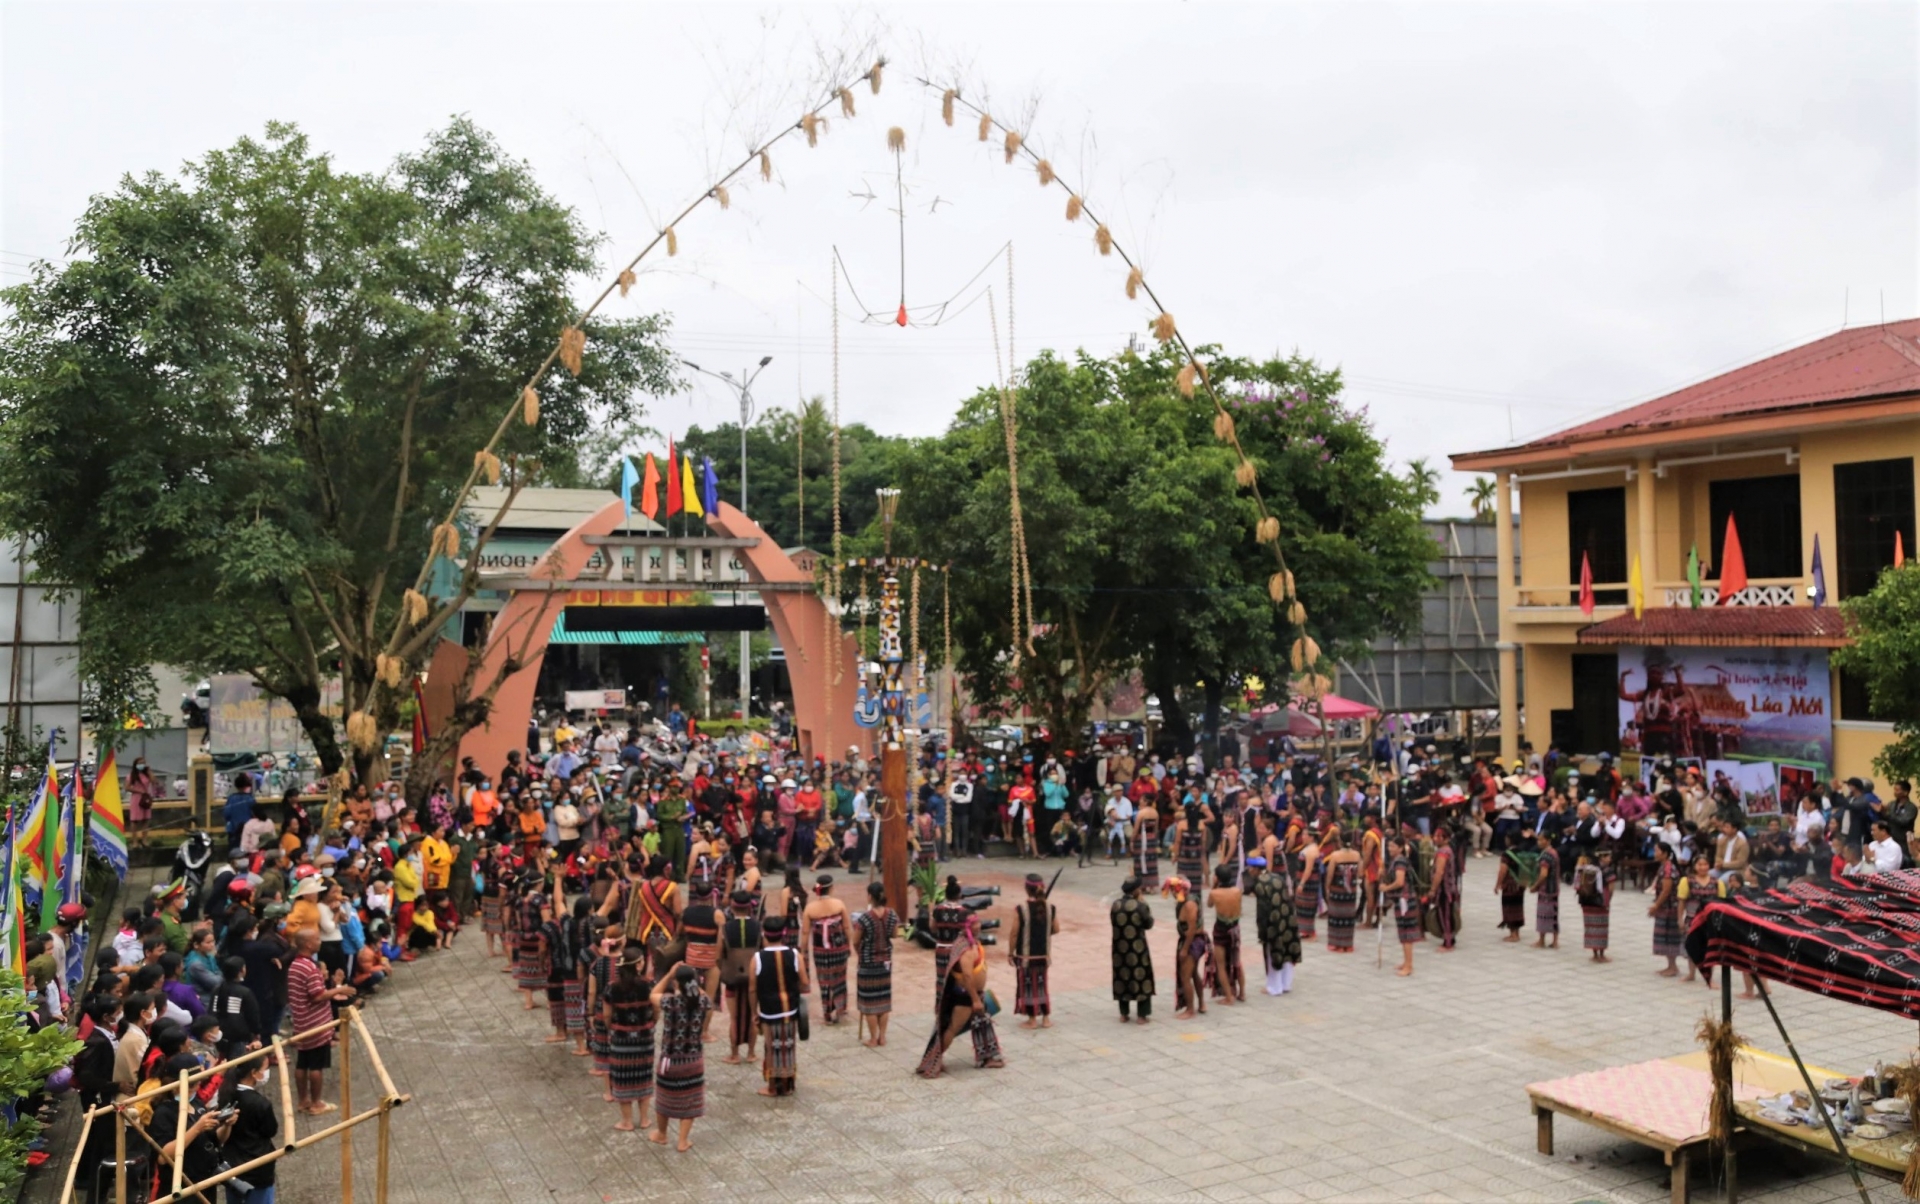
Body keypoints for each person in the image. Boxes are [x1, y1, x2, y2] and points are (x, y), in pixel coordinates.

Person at [916, 910, 1004, 1077]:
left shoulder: (970, 943)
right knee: (953, 1028)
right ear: (968, 927)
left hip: (973, 995)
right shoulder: (965, 948)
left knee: (982, 1024)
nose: (979, 925)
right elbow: (967, 975)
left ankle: (988, 1058)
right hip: (966, 996)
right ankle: (936, 1059)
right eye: (975, 923)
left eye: (978, 922)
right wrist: (975, 999)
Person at [286, 928, 354, 1115]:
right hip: (315, 1023)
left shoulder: (295, 965)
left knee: (302, 1063)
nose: (320, 941)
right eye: (316, 939)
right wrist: (339, 990)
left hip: (301, 1021)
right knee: (316, 1065)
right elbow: (317, 995)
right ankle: (316, 1103)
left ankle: (302, 1101)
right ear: (308, 944)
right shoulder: (310, 967)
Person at [650, 964, 711, 1152]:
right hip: (693, 1059)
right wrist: (692, 980)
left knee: (664, 1098)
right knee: (690, 1099)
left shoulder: (670, 1003)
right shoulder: (704, 1002)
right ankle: (683, 1140)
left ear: (676, 982)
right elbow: (704, 996)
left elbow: (653, 994)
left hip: (670, 1060)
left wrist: (669, 975)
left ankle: (662, 1134)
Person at [751, 915, 807, 1097]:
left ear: (764, 934)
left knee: (772, 1046)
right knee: (788, 1045)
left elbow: (752, 989)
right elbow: (805, 983)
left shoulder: (758, 958)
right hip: (790, 1008)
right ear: (784, 933)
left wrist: (754, 1011)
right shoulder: (795, 955)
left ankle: (773, 1087)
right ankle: (789, 1084)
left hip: (768, 1011)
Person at [602, 947, 655, 1133]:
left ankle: (627, 1121)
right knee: (644, 1076)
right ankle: (645, 1119)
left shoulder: (612, 987)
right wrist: (650, 1023)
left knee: (622, 1078)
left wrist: (613, 1029)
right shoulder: (649, 985)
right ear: (638, 965)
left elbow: (607, 1015)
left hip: (621, 1039)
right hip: (644, 1038)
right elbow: (656, 1010)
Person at [1009, 873, 1058, 1029]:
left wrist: (1010, 952)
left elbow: (1014, 933)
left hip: (1026, 955)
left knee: (1028, 985)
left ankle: (1032, 1019)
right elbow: (1056, 928)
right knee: (1042, 984)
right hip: (1044, 954)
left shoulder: (1021, 909)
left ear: (1026, 889)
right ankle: (1046, 1018)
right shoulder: (1050, 908)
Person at [719, 890, 762, 1065]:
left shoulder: (725, 929)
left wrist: (725, 968)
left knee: (734, 1018)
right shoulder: (758, 926)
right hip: (754, 977)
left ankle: (734, 1054)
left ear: (732, 907)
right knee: (753, 1014)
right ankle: (751, 1053)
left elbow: (717, 956)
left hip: (732, 978)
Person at [802, 874, 852, 1025]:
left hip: (820, 951)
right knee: (839, 978)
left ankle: (827, 1012)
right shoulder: (839, 904)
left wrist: (803, 952)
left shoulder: (810, 908)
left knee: (824, 981)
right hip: (839, 948)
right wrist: (849, 945)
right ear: (831, 888)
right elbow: (847, 927)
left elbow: (805, 932)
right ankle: (840, 1007)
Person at [1246, 857, 1300, 996]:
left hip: (1273, 923)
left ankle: (1274, 987)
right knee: (1286, 950)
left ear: (1256, 869)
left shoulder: (1260, 883)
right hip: (1287, 919)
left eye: (1250, 868)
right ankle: (1286, 983)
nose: (1249, 871)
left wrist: (1262, 931)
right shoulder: (1277, 877)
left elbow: (1262, 910)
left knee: (1273, 953)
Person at [854, 881, 895, 1048]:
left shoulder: (865, 918)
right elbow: (894, 934)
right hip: (885, 961)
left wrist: (860, 953)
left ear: (870, 896)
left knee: (869, 1002)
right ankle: (882, 1036)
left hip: (868, 963)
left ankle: (873, 1038)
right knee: (883, 1000)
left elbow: (855, 940)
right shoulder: (891, 915)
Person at [1110, 876, 1156, 1024]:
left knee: (1122, 977)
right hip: (1138, 949)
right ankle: (1142, 1015)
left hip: (1119, 948)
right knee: (1141, 977)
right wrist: (1144, 903)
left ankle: (1124, 1013)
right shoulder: (1140, 906)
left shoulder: (1115, 905)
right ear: (1136, 890)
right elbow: (1149, 923)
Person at [1383, 835, 1419, 977]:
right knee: (1403, 932)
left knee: (1407, 933)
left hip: (1406, 900)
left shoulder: (1400, 862)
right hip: (1400, 900)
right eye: (1389, 846)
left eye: (1392, 846)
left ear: (1400, 848)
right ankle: (1406, 962)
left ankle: (1409, 965)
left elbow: (1399, 882)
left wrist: (1386, 888)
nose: (1389, 848)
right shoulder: (1395, 861)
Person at [1322, 831, 1362, 954]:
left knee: (1336, 916)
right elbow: (1360, 873)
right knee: (1348, 917)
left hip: (1337, 890)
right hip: (1350, 891)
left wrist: (1327, 888)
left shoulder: (1335, 855)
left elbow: (1330, 874)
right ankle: (1348, 944)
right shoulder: (1356, 855)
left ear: (1340, 840)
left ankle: (1336, 943)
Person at [1648, 841, 1683, 977]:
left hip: (1670, 908)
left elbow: (1666, 890)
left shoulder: (1668, 869)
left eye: (1657, 850)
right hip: (1666, 907)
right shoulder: (1664, 867)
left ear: (1665, 853)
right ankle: (1670, 965)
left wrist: (1656, 905)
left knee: (1670, 936)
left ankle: (1673, 967)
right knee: (1666, 936)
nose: (1655, 853)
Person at [1427, 827, 1460, 951]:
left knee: (1445, 914)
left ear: (1444, 838)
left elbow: (1439, 873)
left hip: (1445, 889)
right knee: (1446, 913)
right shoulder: (1446, 850)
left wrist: (1433, 890)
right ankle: (1449, 938)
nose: (1435, 839)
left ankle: (1448, 942)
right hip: (1448, 888)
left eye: (1437, 836)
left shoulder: (1443, 852)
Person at [1577, 852, 1614, 962]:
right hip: (1600, 902)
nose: (1610, 858)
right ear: (1602, 857)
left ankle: (1594, 954)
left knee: (1591, 927)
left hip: (1588, 901)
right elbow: (1611, 889)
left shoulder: (1588, 868)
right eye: (1608, 856)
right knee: (1601, 928)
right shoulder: (1607, 870)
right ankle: (1601, 955)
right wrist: (1608, 901)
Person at [1531, 829, 1561, 950]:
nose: (1538, 841)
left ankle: (1541, 940)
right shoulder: (1554, 852)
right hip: (1554, 887)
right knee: (1553, 914)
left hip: (1546, 889)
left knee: (1543, 914)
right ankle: (1555, 941)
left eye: (1541, 839)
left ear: (1547, 841)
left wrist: (1535, 886)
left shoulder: (1546, 855)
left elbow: (1543, 874)